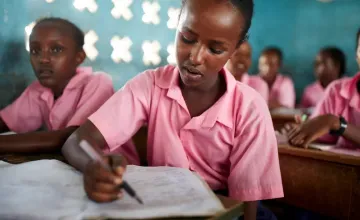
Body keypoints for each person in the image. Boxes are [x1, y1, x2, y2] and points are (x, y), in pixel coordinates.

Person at [62, 1, 283, 219]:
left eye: (215, 49)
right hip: (165, 202)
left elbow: (246, 204)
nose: (195, 58)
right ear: (178, 22)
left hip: (225, 207)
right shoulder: (149, 85)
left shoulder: (250, 108)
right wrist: (93, 166)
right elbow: (77, 141)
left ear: (236, 47)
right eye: (187, 38)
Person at [0, 18, 114, 153]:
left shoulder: (98, 83)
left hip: (116, 168)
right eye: (35, 51)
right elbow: (6, 121)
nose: (43, 59)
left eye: (55, 49)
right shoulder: (39, 90)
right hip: (73, 163)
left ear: (79, 57)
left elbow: (73, 138)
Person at [287, 29, 360, 149]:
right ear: (357, 56)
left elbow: (331, 122)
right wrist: (301, 129)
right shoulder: (337, 91)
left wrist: (337, 123)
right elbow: (322, 132)